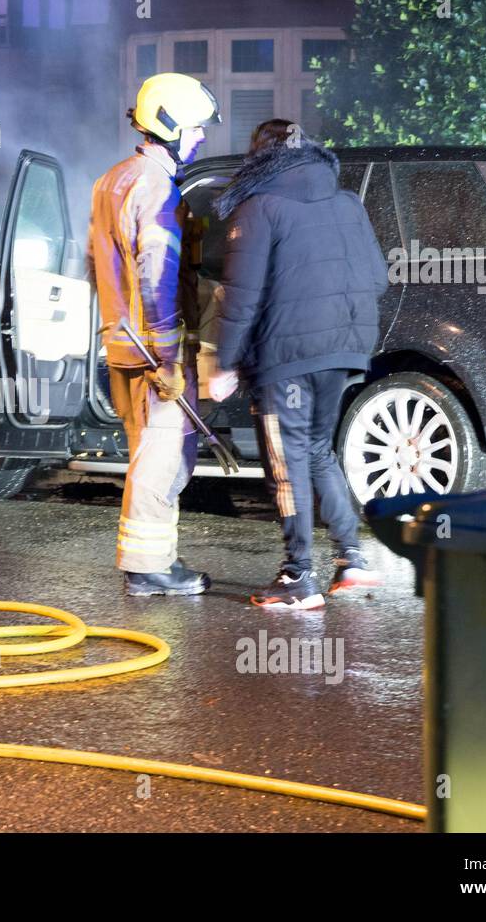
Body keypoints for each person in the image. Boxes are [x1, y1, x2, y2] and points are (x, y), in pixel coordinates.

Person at [205, 119, 387, 608]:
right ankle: (351, 559)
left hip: (285, 356)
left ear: (259, 159)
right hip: (343, 349)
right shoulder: (348, 203)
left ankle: (297, 578)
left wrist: (225, 364)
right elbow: (377, 278)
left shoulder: (259, 206)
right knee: (318, 452)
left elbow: (241, 296)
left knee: (287, 465)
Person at [87, 72, 221, 596]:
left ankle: (155, 557)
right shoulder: (154, 188)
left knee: (149, 449)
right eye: (197, 128)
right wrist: (168, 357)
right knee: (164, 454)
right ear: (169, 125)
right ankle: (148, 568)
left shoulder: (113, 179)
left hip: (122, 343)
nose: (203, 137)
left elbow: (100, 263)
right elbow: (156, 274)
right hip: (152, 349)